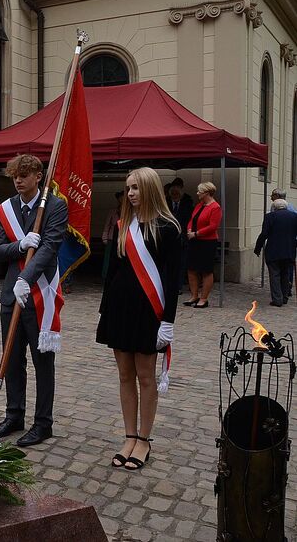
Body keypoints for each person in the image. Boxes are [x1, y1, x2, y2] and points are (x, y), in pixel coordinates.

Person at [97, 167, 180, 470]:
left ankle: (144, 440)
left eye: (135, 188)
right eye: (128, 188)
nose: (130, 193)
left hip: (149, 312)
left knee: (146, 377)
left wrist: (168, 321)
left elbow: (172, 281)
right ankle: (129, 435)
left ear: (149, 189)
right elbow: (114, 272)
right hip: (120, 310)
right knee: (124, 375)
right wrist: (105, 309)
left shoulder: (168, 228)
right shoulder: (124, 225)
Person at [0, 154, 68, 447]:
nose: (19, 180)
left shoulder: (54, 207)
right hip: (12, 294)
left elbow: (50, 247)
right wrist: (19, 246)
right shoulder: (6, 209)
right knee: (12, 359)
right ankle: (14, 415)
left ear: (38, 176)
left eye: (24, 175)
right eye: (15, 176)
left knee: (42, 361)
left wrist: (28, 277)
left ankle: (43, 423)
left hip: (40, 293)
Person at [183, 182, 222, 308]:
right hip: (194, 240)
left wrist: (197, 233)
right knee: (191, 268)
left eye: (199, 191)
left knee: (206, 270)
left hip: (207, 242)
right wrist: (189, 230)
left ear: (206, 193)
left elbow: (213, 226)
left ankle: (204, 298)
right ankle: (194, 296)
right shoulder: (199, 205)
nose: (197, 193)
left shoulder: (215, 207)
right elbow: (192, 219)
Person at [254, 199, 297, 306]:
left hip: (274, 250)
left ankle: (277, 299)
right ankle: (285, 297)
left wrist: (258, 248)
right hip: (289, 251)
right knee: (285, 274)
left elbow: (264, 234)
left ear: (274, 207)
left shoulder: (269, 217)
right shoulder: (294, 216)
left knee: (274, 275)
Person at [166, 179, 193, 292]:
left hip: (182, 237)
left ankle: (178, 286)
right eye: (173, 194)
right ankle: (168, 283)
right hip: (168, 237)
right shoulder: (166, 202)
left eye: (177, 194)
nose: (175, 196)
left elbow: (189, 218)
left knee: (181, 262)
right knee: (168, 262)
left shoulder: (187, 202)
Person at [101, 191, 123, 281]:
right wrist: (105, 237)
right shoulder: (113, 211)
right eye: (120, 198)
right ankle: (106, 276)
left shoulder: (129, 211)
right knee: (108, 258)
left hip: (124, 238)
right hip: (111, 238)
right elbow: (107, 225)